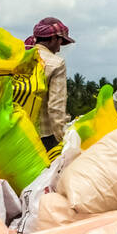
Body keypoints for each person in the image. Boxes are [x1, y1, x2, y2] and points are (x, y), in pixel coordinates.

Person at [24, 16, 73, 150]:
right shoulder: (55, 63)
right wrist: (64, 140)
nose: (59, 49)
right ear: (53, 39)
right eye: (60, 42)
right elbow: (55, 108)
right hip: (44, 137)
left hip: (16, 132)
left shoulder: (19, 58)